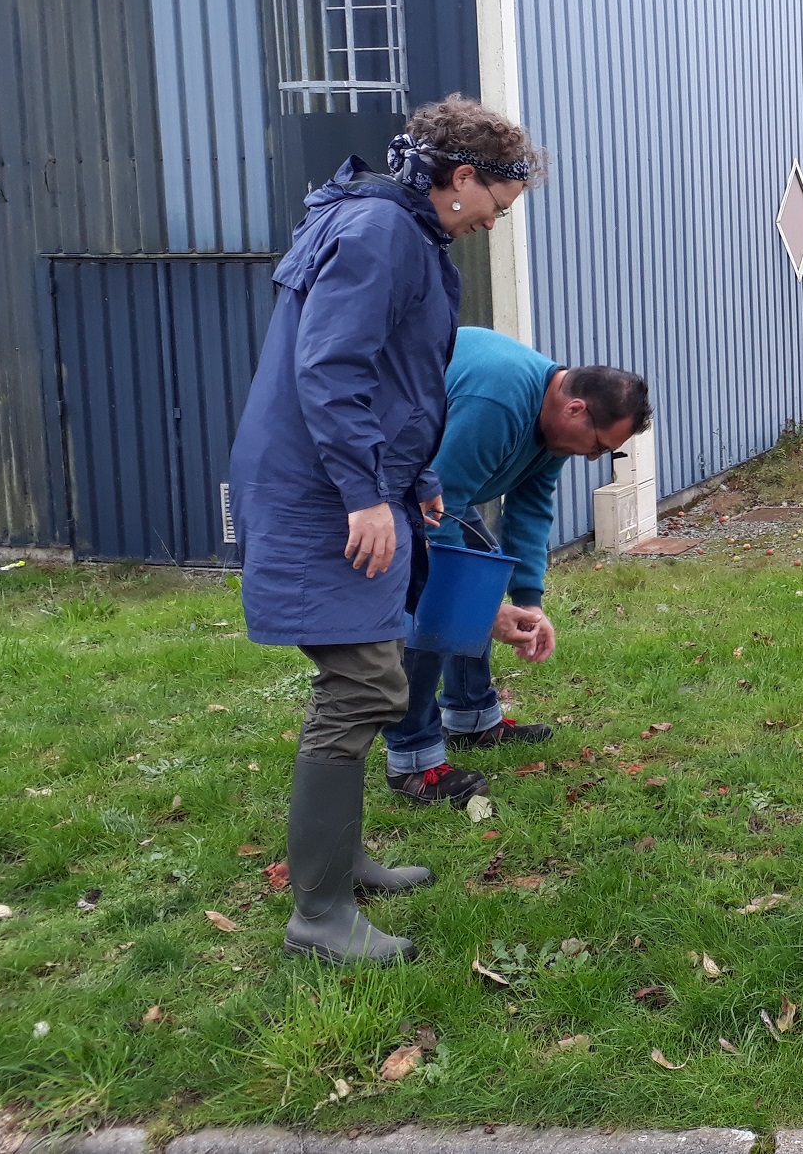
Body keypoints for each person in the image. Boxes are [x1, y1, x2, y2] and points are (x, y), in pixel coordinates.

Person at [228, 97, 539, 965]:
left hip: (352, 483)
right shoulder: (382, 233)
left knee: (370, 667)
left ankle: (343, 860)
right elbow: (331, 366)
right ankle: (319, 916)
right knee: (363, 683)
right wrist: (367, 493)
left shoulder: (397, 227)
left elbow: (400, 375)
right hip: (318, 492)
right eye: (497, 204)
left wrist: (419, 480)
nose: (494, 221)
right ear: (464, 176)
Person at [382, 329, 653, 805]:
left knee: (479, 574)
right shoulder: (500, 403)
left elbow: (529, 508)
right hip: (393, 490)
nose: (591, 457)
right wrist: (478, 611)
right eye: (595, 445)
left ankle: (470, 720)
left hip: (443, 493)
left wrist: (528, 600)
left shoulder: (554, 422)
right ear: (576, 408)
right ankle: (412, 762)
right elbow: (435, 511)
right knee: (433, 606)